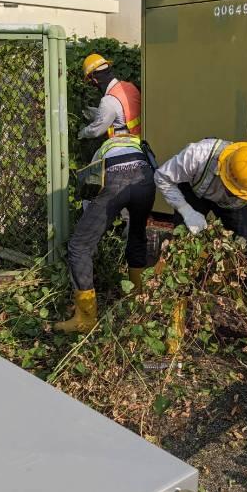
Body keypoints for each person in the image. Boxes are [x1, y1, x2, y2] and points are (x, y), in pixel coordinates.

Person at [54, 54, 154, 333]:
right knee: (137, 234)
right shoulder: (131, 88)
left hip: (117, 172)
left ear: (93, 78)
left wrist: (82, 132)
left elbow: (100, 127)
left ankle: (85, 319)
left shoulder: (107, 102)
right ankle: (138, 301)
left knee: (79, 246)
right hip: (144, 168)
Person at [154, 138, 247, 262]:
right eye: (231, 191)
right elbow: (162, 177)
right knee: (183, 244)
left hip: (233, 206)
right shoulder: (198, 155)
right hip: (194, 192)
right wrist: (186, 210)